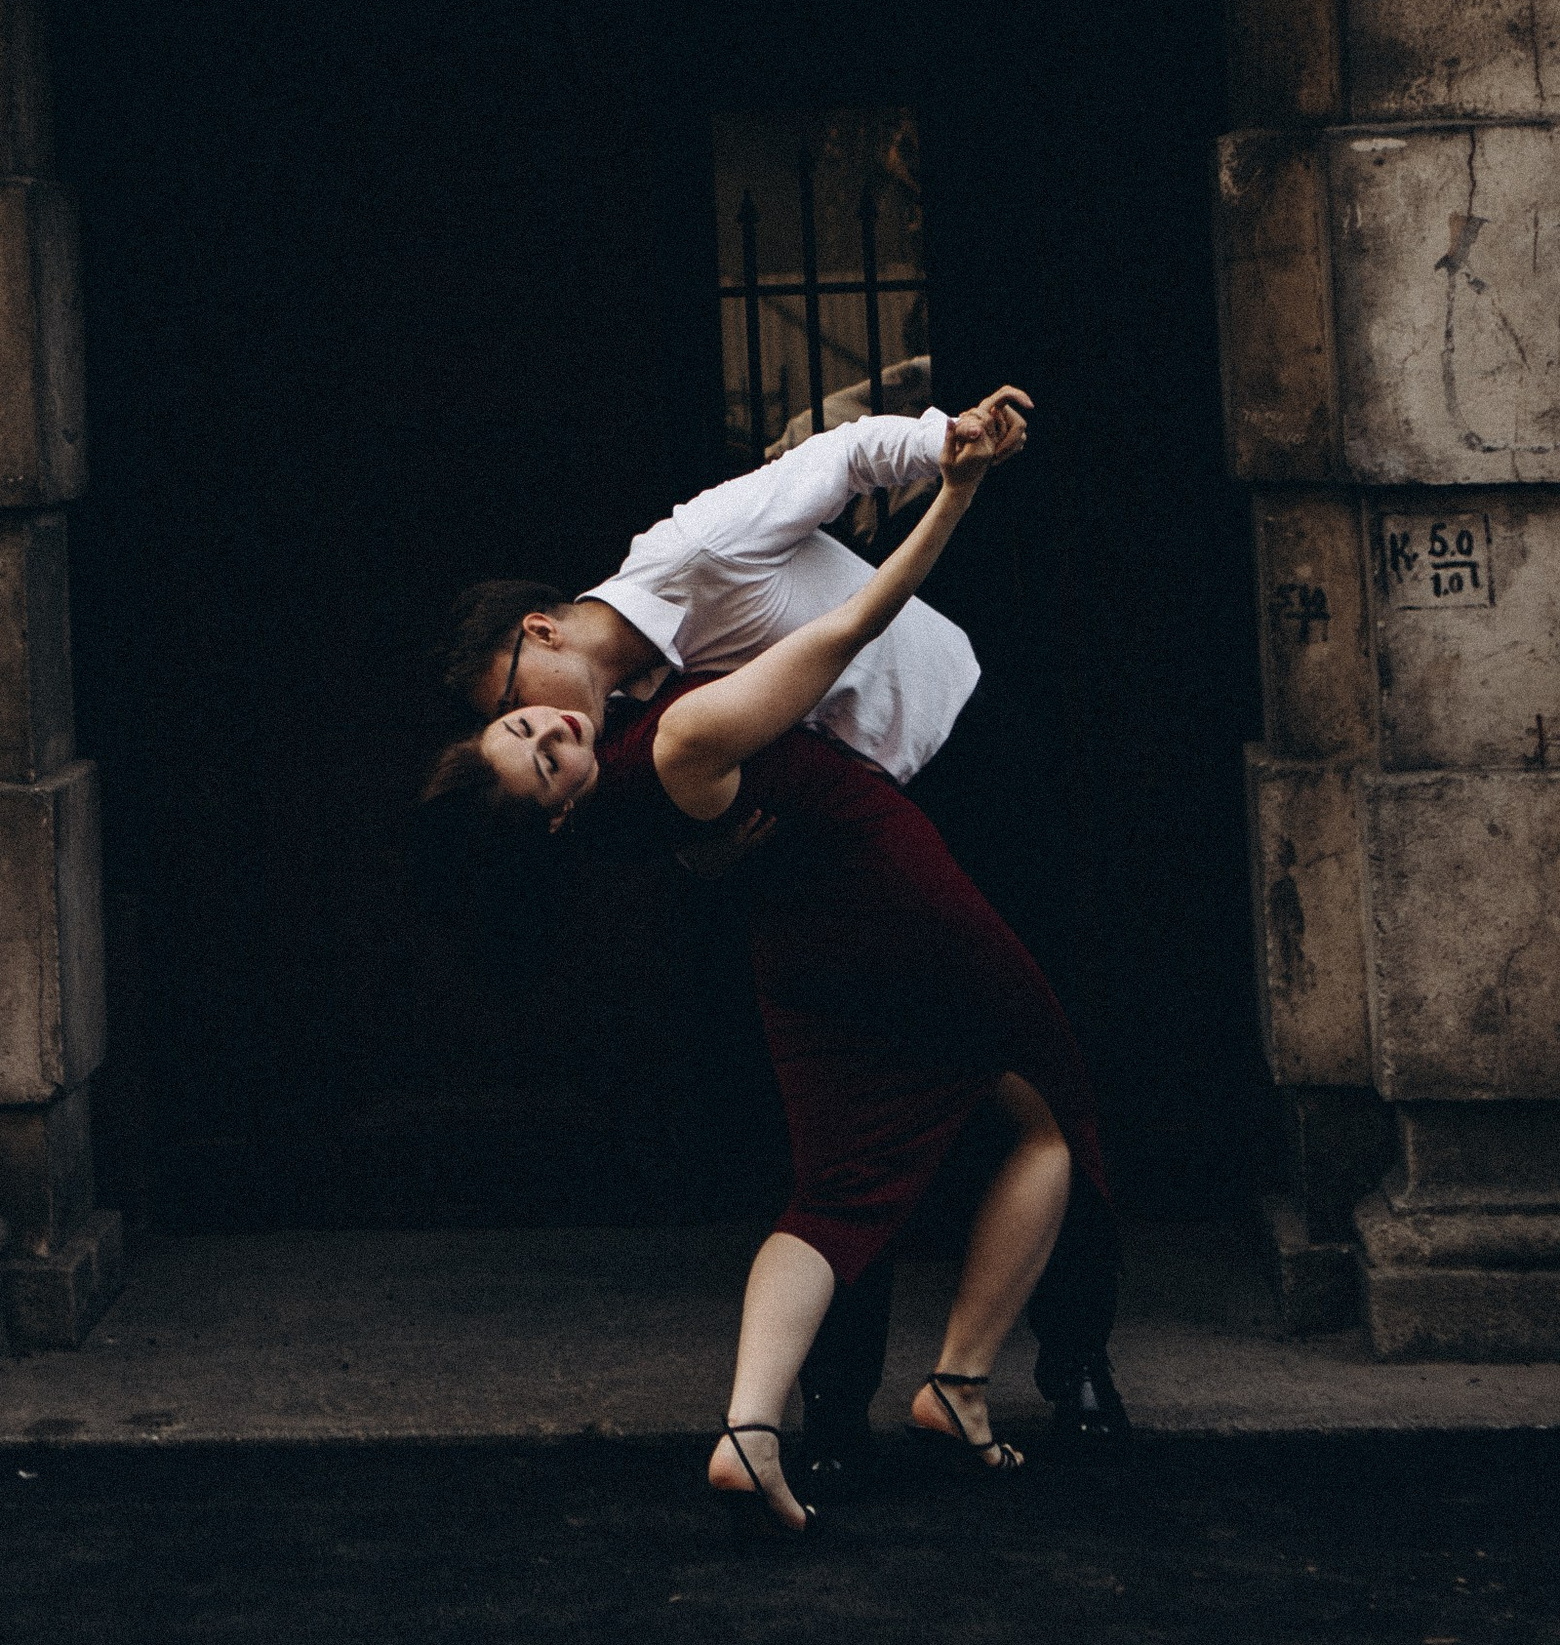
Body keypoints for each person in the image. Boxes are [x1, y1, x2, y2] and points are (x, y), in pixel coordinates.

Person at [423, 411, 1114, 1538]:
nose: (536, 727)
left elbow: (838, 465)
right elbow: (703, 779)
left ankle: (1069, 1363)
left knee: (1029, 1073)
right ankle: (839, 1415)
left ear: (538, 632)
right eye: (517, 739)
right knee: (967, 1111)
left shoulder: (689, 556)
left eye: (517, 707)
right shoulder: (617, 732)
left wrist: (947, 446)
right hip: (855, 866)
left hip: (959, 751)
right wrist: (703, 848)